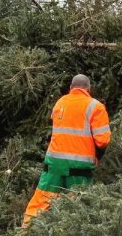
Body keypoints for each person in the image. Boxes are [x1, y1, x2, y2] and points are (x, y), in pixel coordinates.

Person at [22, 74, 111, 227]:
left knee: (40, 202)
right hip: (78, 167)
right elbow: (102, 140)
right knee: (78, 205)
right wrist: (98, 155)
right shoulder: (96, 107)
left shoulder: (60, 103)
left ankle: (23, 232)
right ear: (88, 89)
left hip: (54, 164)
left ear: (70, 88)